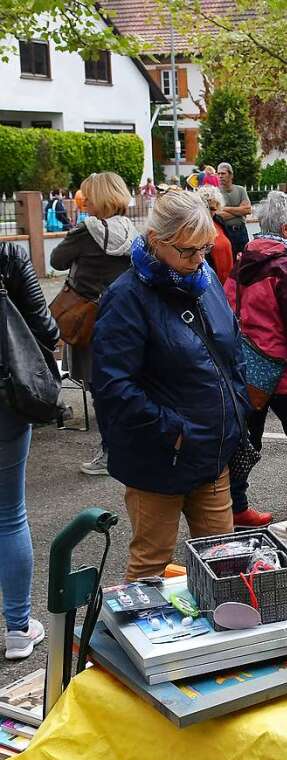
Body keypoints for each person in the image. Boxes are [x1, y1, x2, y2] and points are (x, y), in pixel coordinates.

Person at [91, 191, 248, 580]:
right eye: (188, 251)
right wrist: (173, 432)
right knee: (150, 566)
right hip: (158, 460)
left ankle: (218, 640)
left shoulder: (203, 276)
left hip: (213, 453)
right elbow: (112, 387)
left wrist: (238, 405)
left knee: (223, 566)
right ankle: (143, 640)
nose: (199, 261)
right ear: (157, 242)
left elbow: (230, 344)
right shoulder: (126, 297)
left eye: (205, 249)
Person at [225, 191, 287, 525]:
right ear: (285, 227)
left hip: (248, 366)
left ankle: (237, 505)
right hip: (283, 367)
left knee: (245, 439)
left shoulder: (245, 258)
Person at [51, 172, 139, 477]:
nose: (83, 199)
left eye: (87, 194)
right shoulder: (131, 230)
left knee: (97, 386)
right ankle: (127, 445)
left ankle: (109, 452)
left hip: (87, 318)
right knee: (123, 382)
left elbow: (57, 260)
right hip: (124, 316)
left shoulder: (84, 231)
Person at [0, 242, 59, 660]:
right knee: (9, 514)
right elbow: (46, 329)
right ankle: (18, 630)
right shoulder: (8, 259)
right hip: (5, 398)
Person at [196, 185, 235, 284]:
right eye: (207, 208)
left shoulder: (219, 221)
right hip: (211, 281)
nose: (210, 212)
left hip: (228, 281)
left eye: (213, 209)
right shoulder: (197, 227)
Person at [217, 162, 252, 256]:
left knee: (244, 260)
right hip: (225, 232)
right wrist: (239, 211)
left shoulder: (240, 190)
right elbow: (218, 216)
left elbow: (248, 210)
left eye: (223, 173)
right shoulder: (216, 193)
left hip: (241, 231)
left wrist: (225, 208)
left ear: (230, 175)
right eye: (218, 173)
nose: (220, 176)